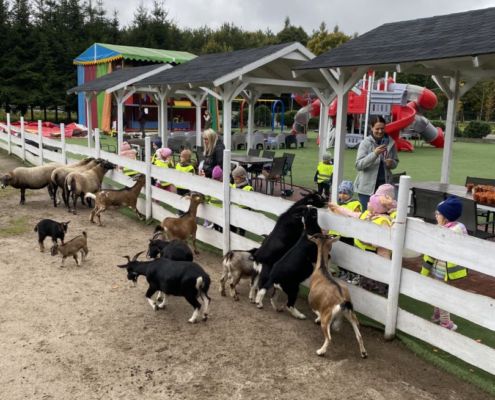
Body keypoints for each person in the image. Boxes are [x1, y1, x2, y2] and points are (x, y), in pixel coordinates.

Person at [421, 196, 467, 331]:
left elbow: (435, 250)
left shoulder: (449, 230)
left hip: (442, 269)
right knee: (439, 292)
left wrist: (424, 270)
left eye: (438, 213)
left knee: (441, 295)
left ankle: (445, 322)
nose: (435, 215)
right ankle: (438, 316)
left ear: (446, 216)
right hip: (440, 268)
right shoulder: (452, 228)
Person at [355, 116, 399, 211]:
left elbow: (396, 162)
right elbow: (358, 165)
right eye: (377, 129)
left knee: (384, 215)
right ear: (371, 128)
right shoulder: (365, 143)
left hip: (385, 189)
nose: (380, 131)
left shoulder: (391, 143)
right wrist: (374, 154)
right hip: (367, 189)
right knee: (367, 215)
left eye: (382, 128)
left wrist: (391, 163)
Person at [230, 166, 254, 236]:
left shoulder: (248, 188)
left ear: (242, 177)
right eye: (234, 179)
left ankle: (241, 237)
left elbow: (251, 201)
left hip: (244, 212)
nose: (234, 181)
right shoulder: (233, 186)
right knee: (232, 228)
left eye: (236, 179)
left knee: (242, 228)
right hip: (234, 211)